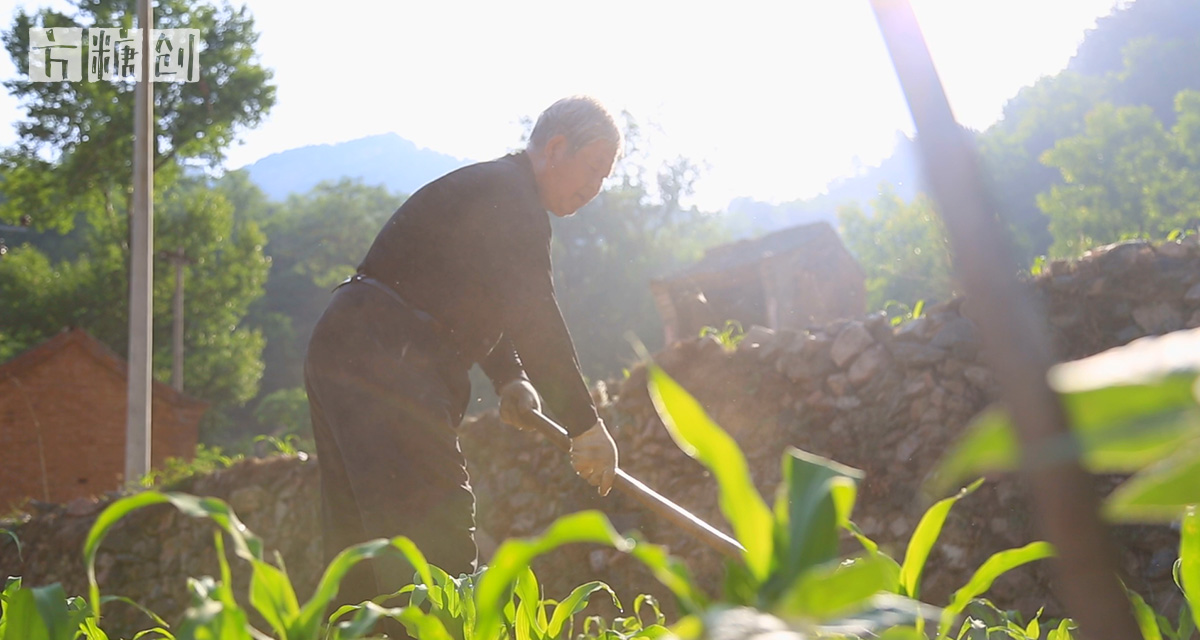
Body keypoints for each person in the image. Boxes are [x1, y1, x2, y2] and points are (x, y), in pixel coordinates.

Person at [303, 96, 622, 614]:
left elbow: (477, 296)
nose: (595, 188)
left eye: (604, 177)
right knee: (437, 530)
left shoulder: (498, 192)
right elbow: (534, 316)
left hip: (349, 343)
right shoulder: (512, 198)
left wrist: (509, 379)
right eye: (592, 169)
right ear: (557, 147)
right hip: (386, 353)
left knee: (365, 545)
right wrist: (585, 426)